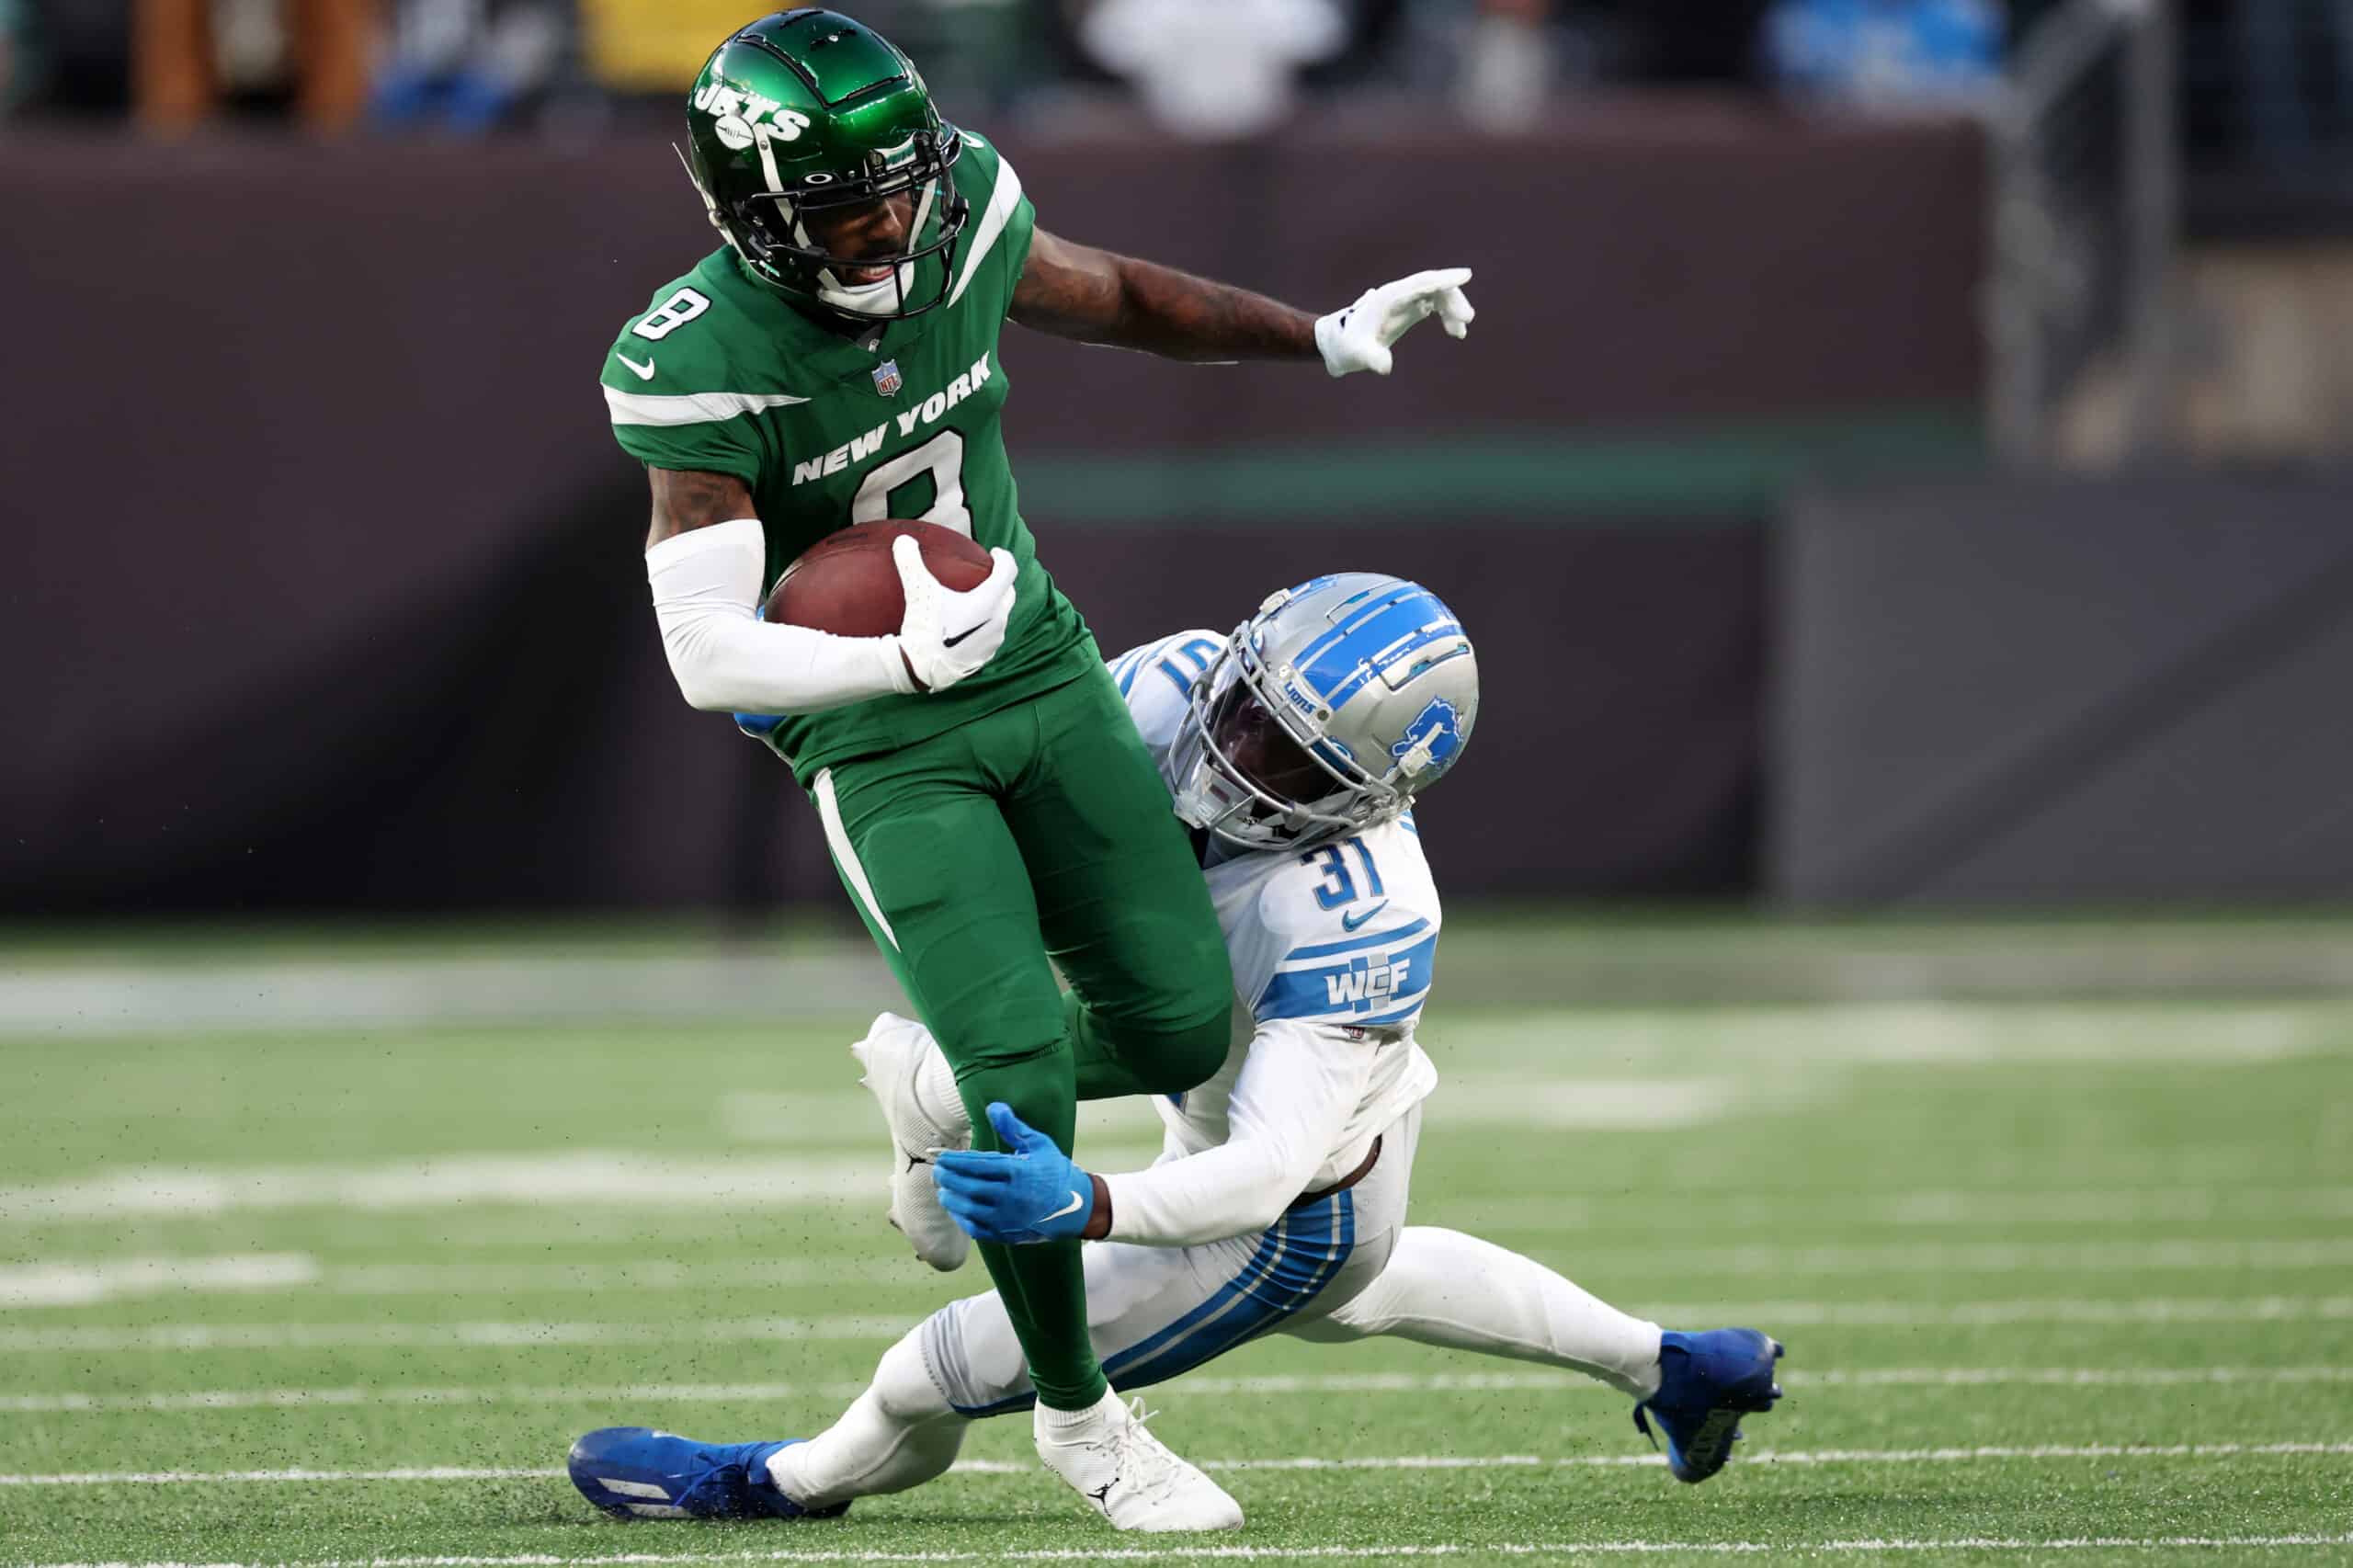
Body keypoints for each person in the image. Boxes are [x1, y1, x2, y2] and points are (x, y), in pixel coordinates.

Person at [602, 7, 1478, 1532]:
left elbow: (1121, 295)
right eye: (843, 207)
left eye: (899, 186)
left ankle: (922, 1087)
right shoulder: (697, 362)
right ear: (748, 213)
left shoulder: (963, 215)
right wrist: (888, 663)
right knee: (1023, 1067)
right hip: (876, 729)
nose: (887, 227)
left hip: (1035, 655)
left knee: (1179, 1012)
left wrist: (1316, 331)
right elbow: (708, 654)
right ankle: (1080, 1414)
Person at [566, 574, 1786, 1534]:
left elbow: (1258, 1178)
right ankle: (1678, 1362)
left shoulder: (1362, 913)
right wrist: (839, 704)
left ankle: (781, 1482)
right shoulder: (1173, 681)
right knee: (1362, 1289)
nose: (1240, 758)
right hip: (1238, 1105)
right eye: (1251, 716)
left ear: (1374, 797)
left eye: (1293, 762)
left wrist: (1087, 1200)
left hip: (1293, 1195)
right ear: (1241, 658)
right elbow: (1005, 769)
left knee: (926, 1374)